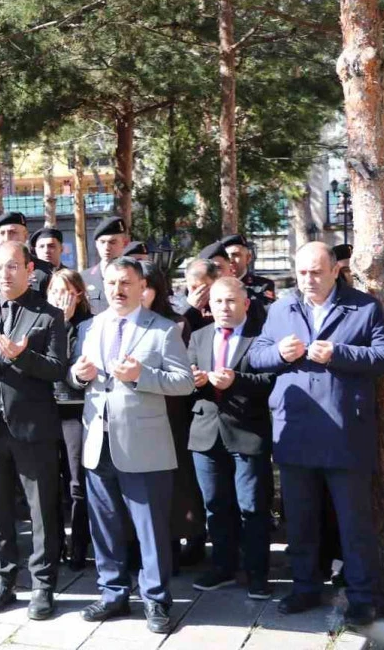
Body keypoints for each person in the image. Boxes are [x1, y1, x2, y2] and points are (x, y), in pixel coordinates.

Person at [249, 242, 384, 627]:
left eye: (316, 272)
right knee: (300, 520)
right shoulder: (281, 308)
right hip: (295, 430)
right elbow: (256, 356)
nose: (308, 280)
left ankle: (363, 598)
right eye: (302, 273)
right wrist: (279, 353)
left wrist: (339, 353)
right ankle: (304, 588)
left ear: (334, 271)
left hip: (345, 430)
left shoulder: (363, 307)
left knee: (354, 522)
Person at [70, 257, 194, 635]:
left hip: (144, 444)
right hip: (97, 440)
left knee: (150, 529)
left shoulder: (163, 329)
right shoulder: (91, 326)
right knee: (104, 525)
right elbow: (77, 376)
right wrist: (77, 375)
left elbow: (184, 382)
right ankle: (113, 594)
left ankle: (156, 599)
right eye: (111, 283)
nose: (118, 290)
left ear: (142, 287)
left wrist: (142, 375)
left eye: (126, 283)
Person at [0, 241, 67, 619]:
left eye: (12, 266)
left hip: (32, 426)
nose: (5, 274)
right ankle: (3, 580)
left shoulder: (49, 315)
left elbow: (57, 368)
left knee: (42, 511)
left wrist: (24, 356)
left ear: (29, 270)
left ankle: (43, 585)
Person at [187, 276, 276, 600]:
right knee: (215, 505)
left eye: (230, 301)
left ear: (245, 304)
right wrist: (195, 380)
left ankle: (257, 574)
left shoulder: (261, 337)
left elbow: (270, 380)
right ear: (209, 306)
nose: (224, 307)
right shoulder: (198, 336)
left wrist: (236, 380)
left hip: (247, 432)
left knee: (252, 507)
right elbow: (183, 379)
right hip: (206, 434)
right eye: (217, 301)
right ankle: (222, 567)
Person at [140, 260, 206, 570]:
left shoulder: (176, 324)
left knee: (178, 485)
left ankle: (184, 542)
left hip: (171, 416)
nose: (139, 293)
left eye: (146, 287)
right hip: (135, 419)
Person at [46, 269, 93, 571]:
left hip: (76, 409)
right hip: (47, 409)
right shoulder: (41, 323)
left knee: (77, 482)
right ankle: (54, 544)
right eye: (54, 292)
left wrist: (63, 323)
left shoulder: (89, 326)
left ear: (78, 295)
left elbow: (70, 367)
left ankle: (79, 545)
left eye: (65, 293)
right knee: (50, 482)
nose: (59, 299)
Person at [0, 212, 53, 293]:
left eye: (12, 232)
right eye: (2, 233)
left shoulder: (46, 272)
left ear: (25, 235)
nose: (6, 238)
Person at [81, 216, 129, 315]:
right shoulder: (84, 278)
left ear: (124, 243)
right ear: (96, 244)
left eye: (112, 242)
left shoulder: (135, 276)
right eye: (102, 242)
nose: (107, 247)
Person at [222, 235, 276, 306]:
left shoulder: (263, 285)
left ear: (248, 258)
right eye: (226, 256)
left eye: (236, 255)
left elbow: (265, 310)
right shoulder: (215, 285)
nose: (231, 260)